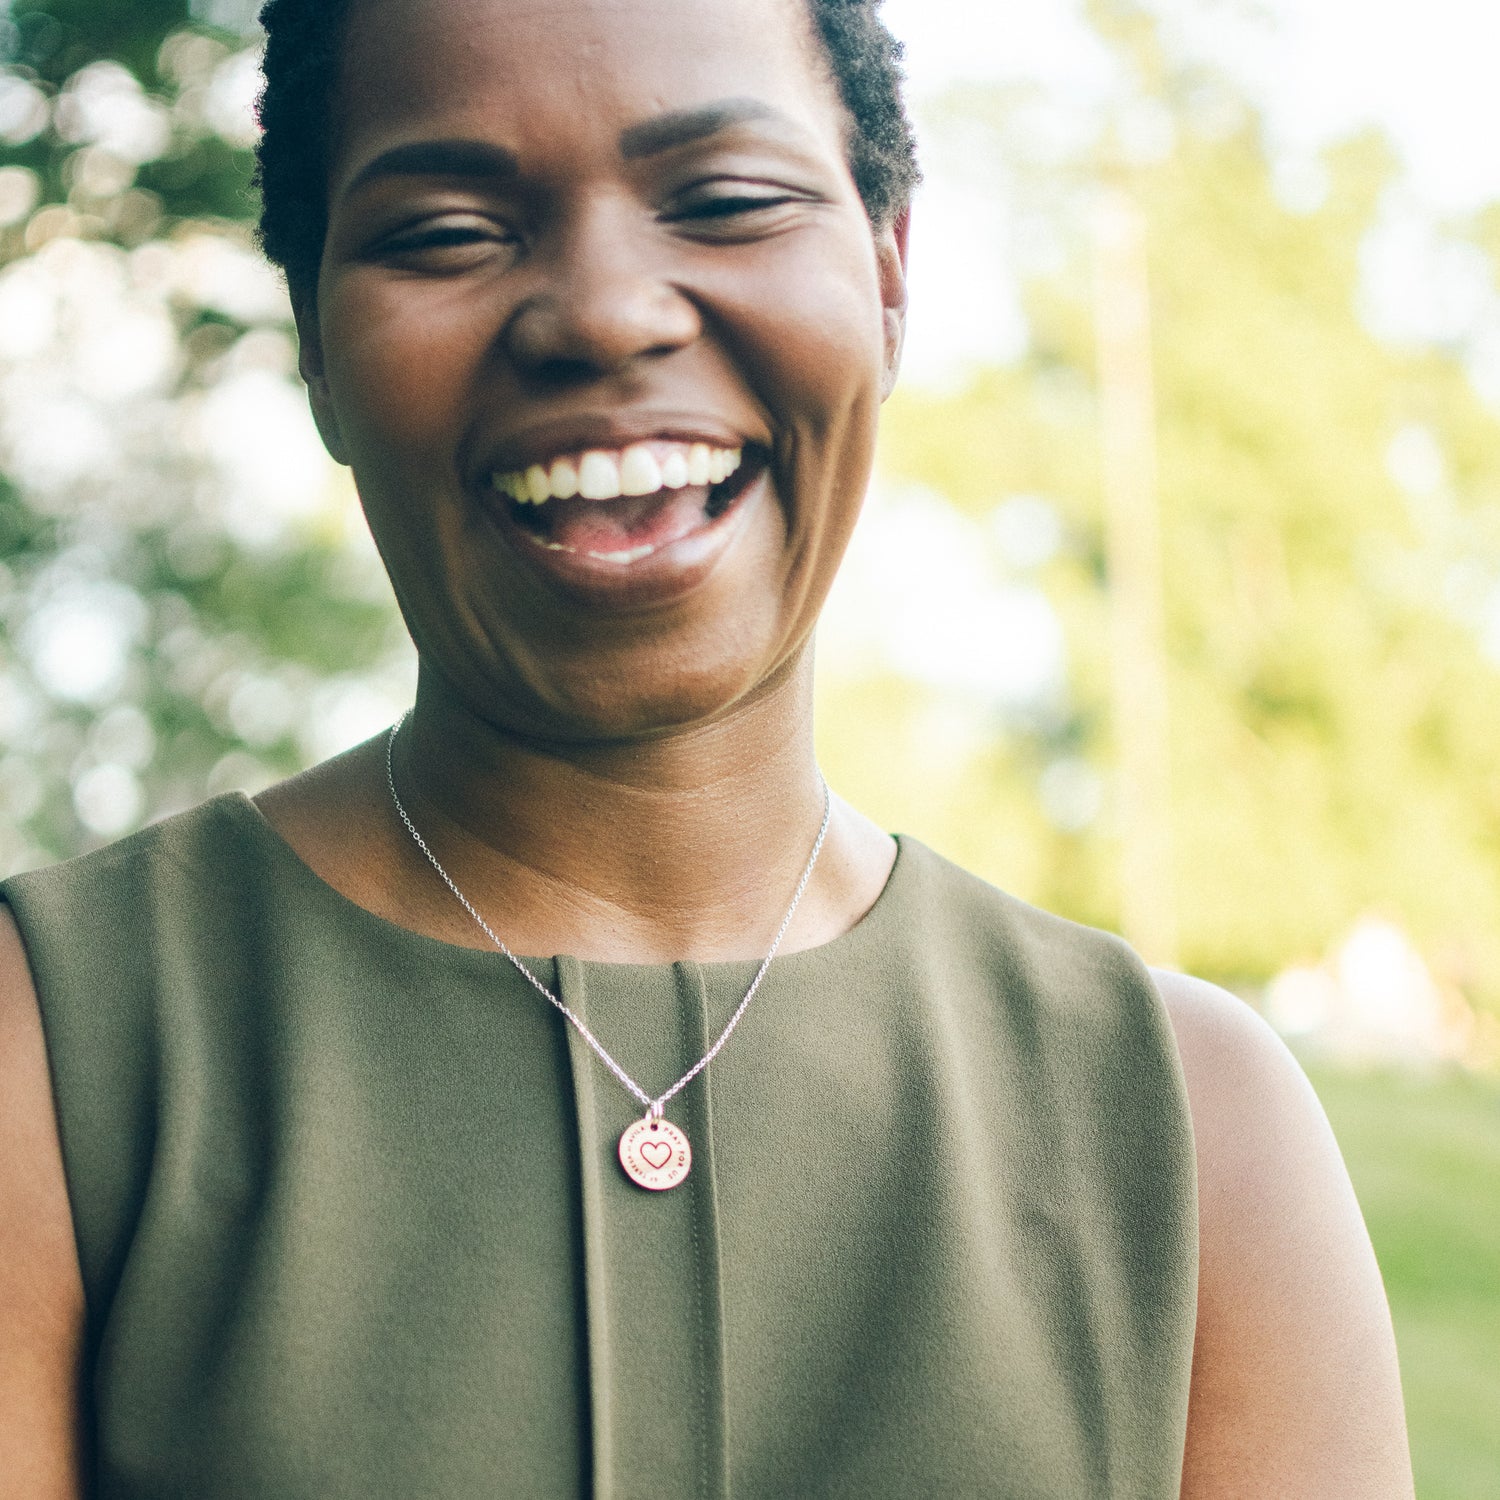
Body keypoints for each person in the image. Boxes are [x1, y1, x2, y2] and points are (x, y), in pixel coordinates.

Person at [0, 0, 1414, 1494]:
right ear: (315, 345)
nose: (605, 313)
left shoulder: (1195, 1138)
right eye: (446, 230)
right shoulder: (58, 1056)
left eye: (729, 202)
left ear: (888, 276)